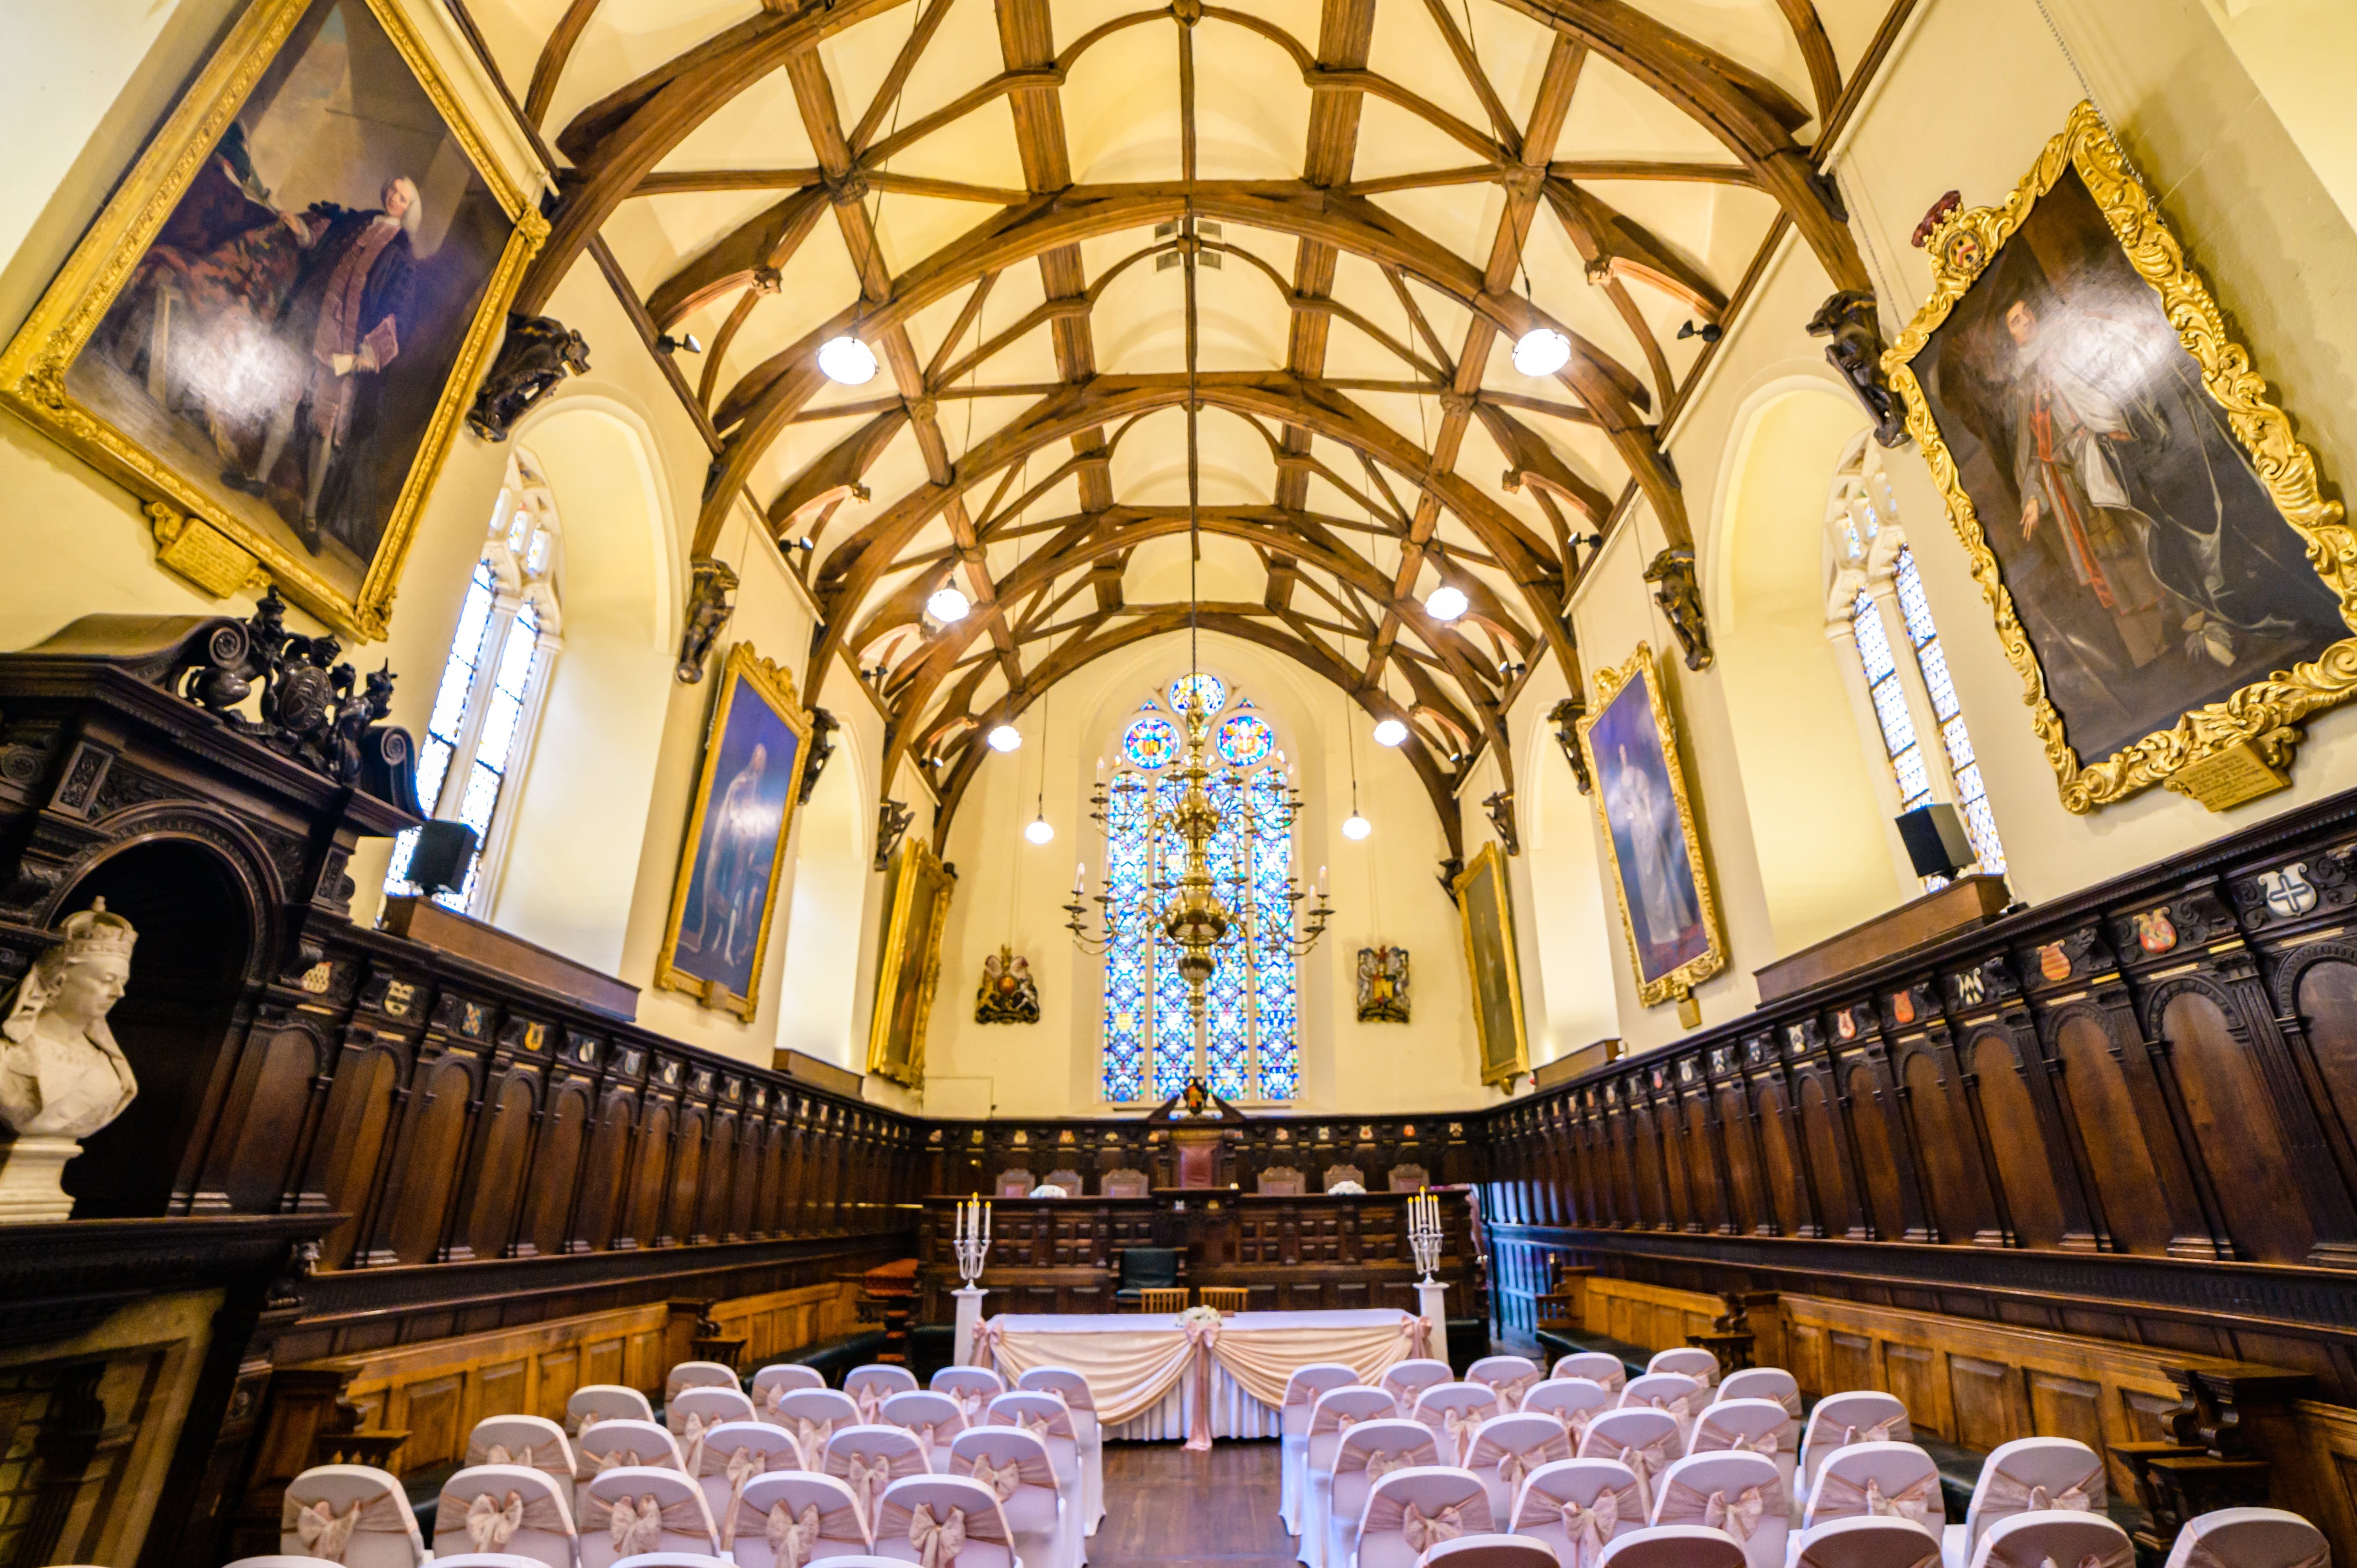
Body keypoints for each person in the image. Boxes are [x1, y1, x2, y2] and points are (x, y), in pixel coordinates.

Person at [2000, 292, 2344, 674]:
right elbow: (2032, 449)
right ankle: (2212, 619)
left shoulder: (2067, 342)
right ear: (2011, 337)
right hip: (2095, 469)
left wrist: (2119, 426)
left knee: (2184, 525)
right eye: (2016, 321)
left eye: (2027, 313)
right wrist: (2034, 496)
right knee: (2153, 546)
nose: (2027, 321)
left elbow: (2108, 384)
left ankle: (2243, 607)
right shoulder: (2027, 383)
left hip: (2125, 445)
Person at [225, 176, 422, 558]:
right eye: (393, 191)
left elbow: (397, 313)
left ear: (409, 208)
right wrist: (301, 230)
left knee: (324, 425)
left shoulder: (402, 256)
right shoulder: (358, 222)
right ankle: (259, 479)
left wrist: (370, 352)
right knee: (286, 399)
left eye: (403, 198)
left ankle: (310, 516)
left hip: (344, 340)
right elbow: (321, 245)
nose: (394, 199)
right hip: (309, 317)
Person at [0, 901, 139, 1141]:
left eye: (123, 983)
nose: (119, 993)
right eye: (108, 981)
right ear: (58, 982)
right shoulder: (6, 1055)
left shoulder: (114, 1074)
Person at [1607, 741, 1696, 964]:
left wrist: (1648, 818)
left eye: (1625, 750)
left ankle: (1672, 923)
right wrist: (1629, 815)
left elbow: (1647, 797)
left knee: (1658, 872)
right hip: (1637, 830)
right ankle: (1661, 930)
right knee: (1648, 879)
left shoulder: (1638, 775)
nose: (1623, 753)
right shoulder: (1618, 783)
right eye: (1620, 752)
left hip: (1646, 824)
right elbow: (1620, 809)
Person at [691, 742, 776, 973]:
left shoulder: (759, 793)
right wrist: (740, 814)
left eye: (762, 759)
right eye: (756, 757)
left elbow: (759, 825)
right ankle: (709, 942)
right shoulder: (740, 783)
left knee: (736, 898)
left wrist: (753, 835)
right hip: (731, 847)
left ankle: (725, 948)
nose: (759, 762)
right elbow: (732, 808)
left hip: (744, 851)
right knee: (721, 893)